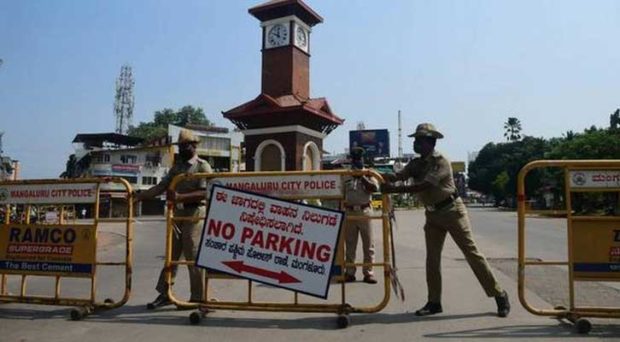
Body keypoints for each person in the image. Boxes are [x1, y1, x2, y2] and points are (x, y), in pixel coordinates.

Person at [381, 123, 510, 317]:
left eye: (419, 140)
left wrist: (394, 190)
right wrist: (375, 178)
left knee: (472, 253)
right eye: (415, 140)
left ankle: (499, 294)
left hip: (452, 211)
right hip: (432, 215)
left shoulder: (440, 162)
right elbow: (398, 176)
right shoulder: (415, 163)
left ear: (430, 142)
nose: (416, 143)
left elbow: (423, 186)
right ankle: (434, 302)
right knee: (432, 260)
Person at [134, 129, 213, 309]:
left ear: (194, 145)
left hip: (195, 214)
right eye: (180, 146)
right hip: (177, 214)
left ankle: (198, 297)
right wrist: (139, 196)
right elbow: (161, 186)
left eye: (185, 145)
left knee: (192, 255)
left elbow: (205, 192)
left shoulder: (203, 166)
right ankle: (165, 293)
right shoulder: (177, 168)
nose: (182, 149)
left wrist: (180, 197)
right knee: (171, 254)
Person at [343, 147, 379, 284]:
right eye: (354, 159)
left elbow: (374, 188)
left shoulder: (369, 173)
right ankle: (350, 272)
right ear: (351, 160)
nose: (357, 161)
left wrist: (362, 177)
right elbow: (340, 192)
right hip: (350, 211)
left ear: (363, 159)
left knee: (368, 244)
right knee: (350, 244)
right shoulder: (345, 174)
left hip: (364, 211)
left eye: (359, 159)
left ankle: (368, 273)